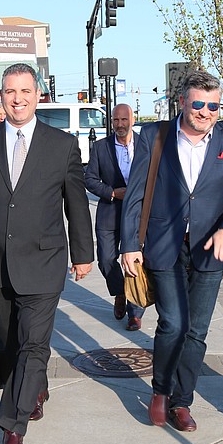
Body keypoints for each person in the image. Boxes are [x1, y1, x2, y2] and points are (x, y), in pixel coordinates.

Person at [0, 63, 93, 444]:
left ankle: (12, 429)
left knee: (34, 344)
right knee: (13, 343)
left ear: (38, 95)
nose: (18, 98)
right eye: (10, 91)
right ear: (1, 95)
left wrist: (83, 253)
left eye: (25, 91)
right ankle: (35, 387)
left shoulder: (62, 145)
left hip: (44, 261)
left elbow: (76, 205)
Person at [120, 70, 223, 433]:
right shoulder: (153, 136)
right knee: (173, 324)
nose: (205, 111)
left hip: (210, 249)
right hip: (165, 246)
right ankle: (160, 391)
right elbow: (134, 195)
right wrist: (130, 245)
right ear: (183, 102)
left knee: (196, 332)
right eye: (198, 104)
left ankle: (183, 401)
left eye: (213, 105)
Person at [85, 103, 145, 331]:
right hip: (109, 214)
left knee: (135, 264)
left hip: (138, 216)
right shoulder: (101, 147)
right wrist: (111, 192)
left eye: (124, 120)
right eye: (116, 120)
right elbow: (89, 178)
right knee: (106, 260)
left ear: (132, 119)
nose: (120, 125)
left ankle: (135, 312)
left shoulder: (145, 145)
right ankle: (120, 292)